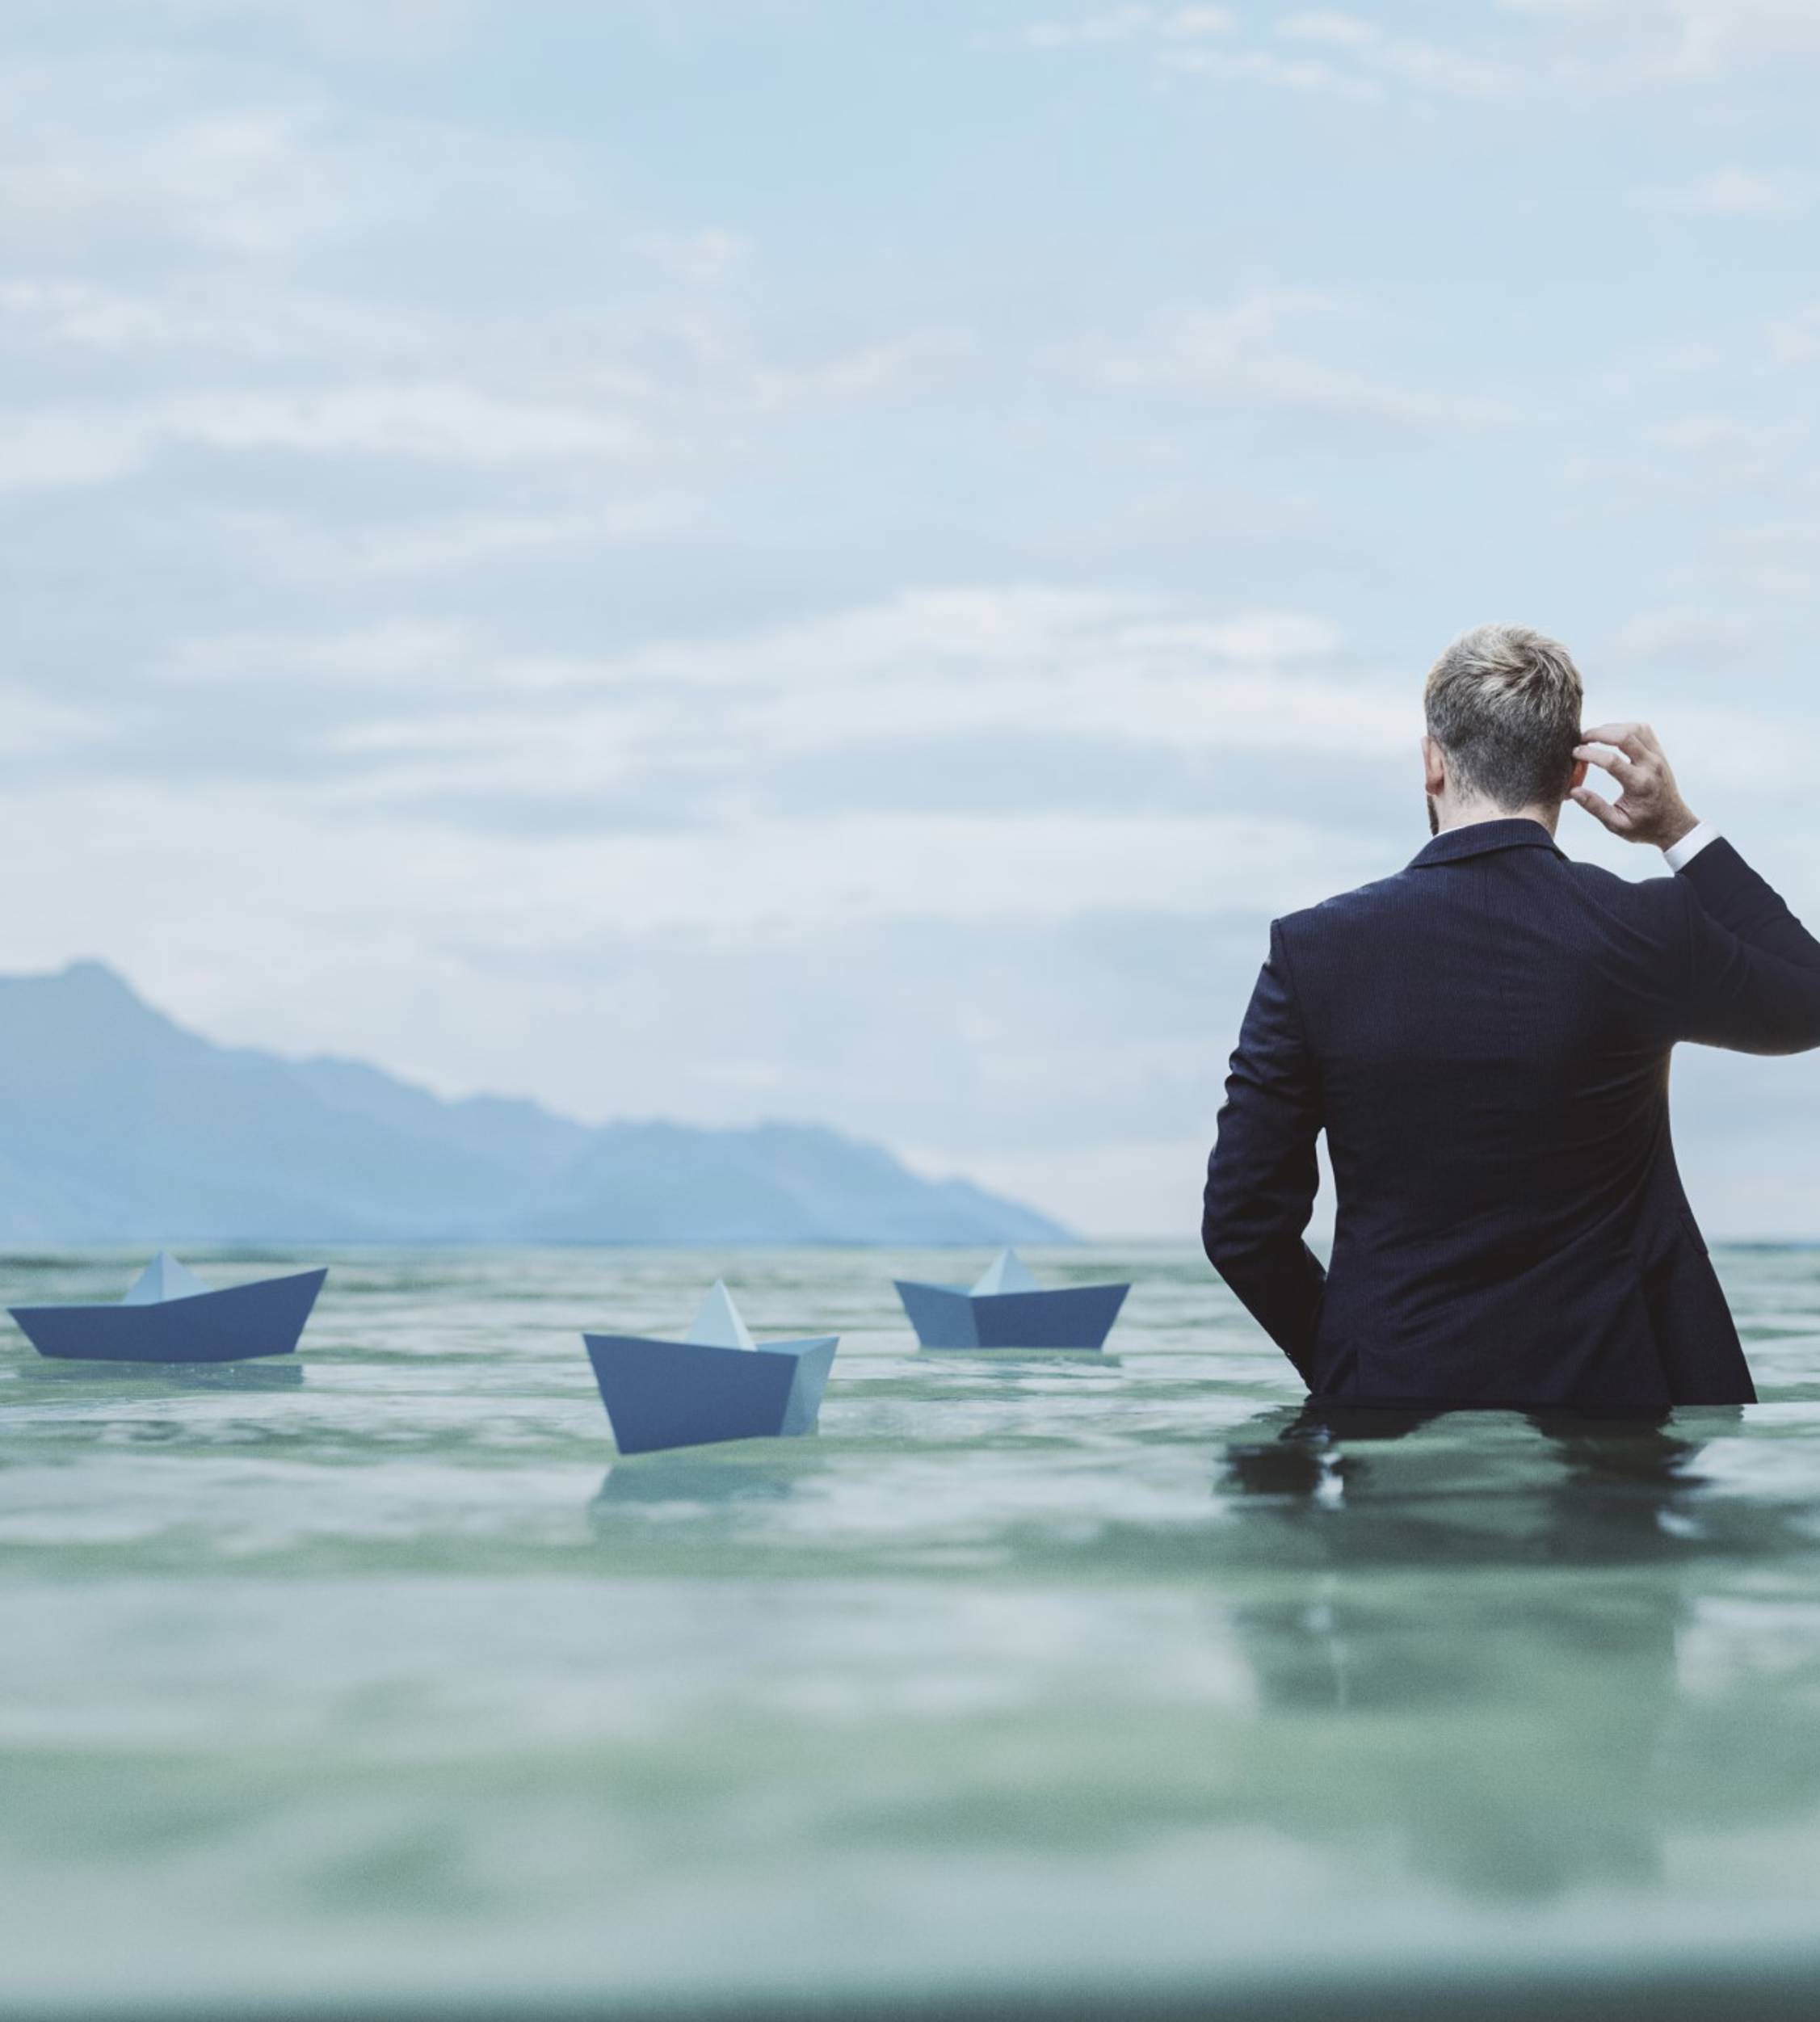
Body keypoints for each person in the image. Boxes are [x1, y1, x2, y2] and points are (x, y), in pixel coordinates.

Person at [1202, 623, 1820, 1410]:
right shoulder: (1649, 928)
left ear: (1432, 759)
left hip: (1394, 1404)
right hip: (1616, 1406)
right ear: (1571, 773)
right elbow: (1808, 997)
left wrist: (1349, 1359)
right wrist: (1677, 829)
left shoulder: (1315, 951)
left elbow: (1241, 1223)